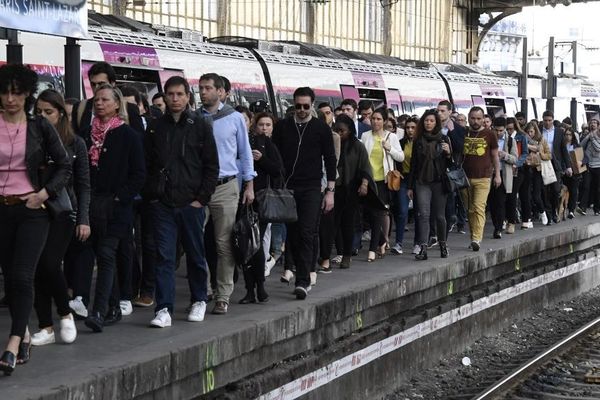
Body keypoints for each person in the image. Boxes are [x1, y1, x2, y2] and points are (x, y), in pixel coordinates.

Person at [0, 64, 71, 374]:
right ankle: (26, 334)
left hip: (31, 210)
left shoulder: (40, 127)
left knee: (22, 275)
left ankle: (13, 343)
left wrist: (44, 194)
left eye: (16, 92)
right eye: (5, 92)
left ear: (27, 93)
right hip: (1, 209)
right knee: (9, 277)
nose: (10, 98)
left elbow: (64, 165)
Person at [144, 76, 219, 327]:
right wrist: (152, 195)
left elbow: (211, 166)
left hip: (191, 203)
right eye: (170, 94)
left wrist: (201, 199)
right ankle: (163, 307)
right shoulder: (155, 127)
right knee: (164, 256)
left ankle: (199, 299)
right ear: (164, 96)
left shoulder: (200, 125)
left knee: (196, 254)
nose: (175, 99)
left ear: (188, 96)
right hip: (163, 203)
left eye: (179, 94)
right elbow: (148, 163)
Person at [82, 84, 146, 332]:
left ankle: (99, 310)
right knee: (100, 252)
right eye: (96, 100)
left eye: (105, 100)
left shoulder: (128, 135)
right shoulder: (88, 134)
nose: (99, 104)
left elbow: (139, 174)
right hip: (93, 205)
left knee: (107, 253)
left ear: (117, 104)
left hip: (118, 208)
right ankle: (114, 305)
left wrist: (121, 197)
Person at [30, 89, 90, 347]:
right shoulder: (29, 141)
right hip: (31, 210)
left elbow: (84, 184)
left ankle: (64, 312)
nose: (43, 117)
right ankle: (45, 325)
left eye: (49, 112)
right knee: (35, 268)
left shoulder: (75, 143)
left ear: (61, 114)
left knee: (49, 263)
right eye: (39, 112)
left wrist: (84, 218)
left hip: (64, 211)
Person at [196, 73, 256, 314]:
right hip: (199, 187)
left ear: (220, 91)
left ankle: (223, 295)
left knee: (223, 243)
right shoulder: (194, 119)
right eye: (200, 88)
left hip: (226, 185)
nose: (203, 92)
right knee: (195, 240)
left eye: (208, 88)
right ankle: (203, 289)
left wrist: (249, 184)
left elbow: (245, 151)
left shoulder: (233, 119)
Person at [272, 87, 336, 300]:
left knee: (307, 232)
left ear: (312, 105)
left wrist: (330, 191)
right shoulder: (283, 126)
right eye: (297, 106)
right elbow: (275, 155)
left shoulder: (320, 128)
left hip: (311, 187)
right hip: (289, 187)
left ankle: (303, 280)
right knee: (292, 233)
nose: (301, 110)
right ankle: (296, 271)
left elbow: (330, 160)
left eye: (305, 106)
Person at [240, 112, 283, 303]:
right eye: (260, 125)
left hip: (262, 202)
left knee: (255, 244)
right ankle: (250, 289)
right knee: (243, 244)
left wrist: (261, 159)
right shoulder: (242, 143)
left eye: (267, 125)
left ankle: (260, 286)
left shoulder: (269, 145)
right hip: (241, 200)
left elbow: (277, 170)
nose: (263, 128)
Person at [320, 114, 371, 270]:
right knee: (329, 225)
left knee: (348, 224)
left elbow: (365, 166)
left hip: (350, 189)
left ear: (350, 130)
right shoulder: (330, 142)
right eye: (337, 130)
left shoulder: (357, 146)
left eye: (342, 131)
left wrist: (364, 183)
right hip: (332, 189)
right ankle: (325, 257)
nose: (339, 134)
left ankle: (347, 255)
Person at [407, 109, 451, 260]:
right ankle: (423, 248)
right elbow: (413, 164)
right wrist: (410, 186)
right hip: (422, 182)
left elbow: (452, 163)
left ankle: (443, 245)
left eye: (431, 121)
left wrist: (448, 153)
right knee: (423, 215)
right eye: (426, 120)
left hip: (439, 182)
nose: (428, 123)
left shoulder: (444, 139)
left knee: (439, 216)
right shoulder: (418, 140)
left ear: (436, 123)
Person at [360, 109, 404, 262]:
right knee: (368, 214)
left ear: (384, 121)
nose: (375, 121)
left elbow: (401, 156)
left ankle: (373, 249)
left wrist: (389, 148)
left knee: (378, 213)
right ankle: (381, 241)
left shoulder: (391, 137)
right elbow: (362, 158)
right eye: (373, 118)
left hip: (384, 181)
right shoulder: (365, 136)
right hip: (368, 180)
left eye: (378, 119)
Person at [461, 107, 501, 251]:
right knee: (470, 210)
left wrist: (497, 175)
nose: (476, 121)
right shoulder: (464, 133)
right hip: (465, 178)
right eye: (473, 118)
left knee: (478, 207)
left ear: (483, 118)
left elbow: (495, 156)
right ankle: (473, 237)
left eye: (478, 118)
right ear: (469, 118)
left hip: (483, 177)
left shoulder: (489, 134)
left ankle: (477, 238)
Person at [72, 62, 144, 135]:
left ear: (112, 83)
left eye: (101, 84)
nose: (97, 88)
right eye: (93, 84)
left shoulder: (130, 109)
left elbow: (139, 140)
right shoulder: (80, 108)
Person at [391, 116, 417, 255]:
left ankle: (418, 243)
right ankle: (398, 243)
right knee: (402, 211)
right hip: (403, 178)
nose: (410, 130)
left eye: (413, 127)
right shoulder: (401, 143)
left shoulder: (421, 143)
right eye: (407, 128)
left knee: (419, 212)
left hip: (418, 180)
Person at [488, 117, 518, 239]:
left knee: (500, 202)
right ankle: (497, 223)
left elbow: (515, 158)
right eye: (496, 130)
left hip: (503, 174)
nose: (498, 133)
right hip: (489, 174)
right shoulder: (488, 139)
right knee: (491, 203)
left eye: (501, 130)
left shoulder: (510, 141)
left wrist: (504, 155)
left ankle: (498, 228)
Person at [541, 111, 572, 224]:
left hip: (555, 163)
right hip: (543, 163)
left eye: (550, 120)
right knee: (544, 190)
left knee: (555, 189)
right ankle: (548, 215)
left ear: (553, 120)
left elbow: (563, 150)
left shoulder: (559, 132)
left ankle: (554, 211)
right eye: (545, 120)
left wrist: (568, 166)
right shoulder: (540, 130)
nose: (547, 123)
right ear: (542, 120)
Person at [505, 117, 531, 229]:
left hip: (520, 169)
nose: (509, 131)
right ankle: (510, 219)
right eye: (507, 129)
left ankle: (525, 219)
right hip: (508, 167)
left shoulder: (522, 136)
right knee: (510, 195)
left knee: (523, 194)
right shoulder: (504, 137)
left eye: (511, 129)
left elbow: (525, 153)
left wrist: (517, 163)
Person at [525, 122, 551, 224]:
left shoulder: (541, 140)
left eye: (531, 131)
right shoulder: (523, 140)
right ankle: (529, 217)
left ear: (535, 131)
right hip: (527, 168)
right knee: (527, 195)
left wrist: (540, 154)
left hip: (538, 170)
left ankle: (542, 212)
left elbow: (549, 155)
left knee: (537, 195)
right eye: (528, 132)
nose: (530, 134)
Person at [579, 123, 600, 216]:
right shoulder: (591, 135)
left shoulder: (593, 137)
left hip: (598, 166)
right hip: (588, 164)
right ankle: (582, 207)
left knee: (597, 188)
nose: (593, 125)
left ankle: (597, 208)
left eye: (595, 123)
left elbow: (598, 148)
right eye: (592, 123)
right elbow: (581, 145)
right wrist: (588, 137)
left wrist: (592, 138)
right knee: (586, 185)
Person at [563, 127, 581, 219]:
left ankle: (571, 210)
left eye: (570, 134)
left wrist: (581, 162)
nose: (568, 136)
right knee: (563, 191)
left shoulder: (576, 145)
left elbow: (583, 157)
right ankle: (562, 209)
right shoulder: (561, 145)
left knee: (573, 191)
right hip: (564, 171)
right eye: (566, 134)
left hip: (575, 172)